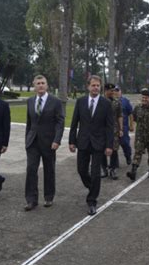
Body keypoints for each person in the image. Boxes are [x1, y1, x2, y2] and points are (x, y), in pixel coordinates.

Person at [69, 75, 113, 216]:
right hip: (82, 142)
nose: (95, 88)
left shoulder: (106, 103)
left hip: (98, 143)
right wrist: (72, 141)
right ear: (88, 86)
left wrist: (109, 145)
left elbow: (109, 126)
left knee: (95, 173)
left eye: (97, 86)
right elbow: (75, 122)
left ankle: (92, 200)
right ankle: (92, 187)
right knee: (81, 170)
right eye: (93, 85)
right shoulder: (81, 101)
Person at [24, 75, 65, 211]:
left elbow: (60, 122)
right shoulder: (30, 101)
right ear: (34, 86)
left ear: (47, 86)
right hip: (33, 142)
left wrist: (57, 140)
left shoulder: (55, 102)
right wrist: (27, 140)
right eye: (38, 83)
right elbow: (29, 123)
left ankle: (48, 197)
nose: (40, 85)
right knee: (31, 169)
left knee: (49, 170)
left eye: (43, 83)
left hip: (49, 142)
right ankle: (31, 200)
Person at [127, 88, 149, 181]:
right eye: (143, 98)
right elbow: (134, 118)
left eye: (146, 98)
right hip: (140, 136)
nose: (144, 100)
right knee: (138, 152)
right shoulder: (137, 108)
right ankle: (133, 171)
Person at [101, 83, 123, 180]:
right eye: (111, 91)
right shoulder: (100, 101)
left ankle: (113, 169)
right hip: (101, 129)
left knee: (114, 149)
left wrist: (121, 129)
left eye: (114, 90)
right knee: (101, 149)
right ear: (105, 91)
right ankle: (104, 169)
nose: (113, 92)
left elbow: (120, 116)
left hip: (113, 130)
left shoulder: (117, 102)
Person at [114, 86, 133, 166]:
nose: (116, 92)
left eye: (117, 90)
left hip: (124, 127)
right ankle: (115, 163)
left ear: (120, 91)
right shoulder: (110, 101)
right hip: (113, 127)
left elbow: (131, 114)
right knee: (114, 146)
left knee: (125, 144)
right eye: (114, 91)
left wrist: (131, 125)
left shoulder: (125, 101)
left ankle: (128, 156)